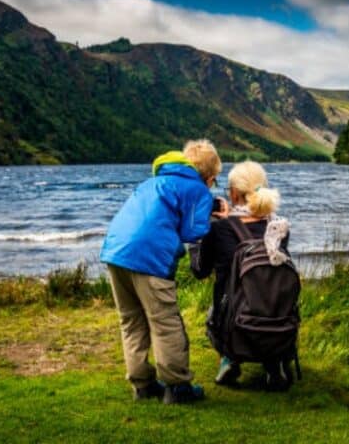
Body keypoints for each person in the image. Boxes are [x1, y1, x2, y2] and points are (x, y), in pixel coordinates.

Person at [100, 139, 222, 404]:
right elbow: (193, 232)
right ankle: (178, 387)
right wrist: (212, 216)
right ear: (210, 177)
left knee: (132, 321)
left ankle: (142, 385)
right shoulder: (199, 190)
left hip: (116, 252)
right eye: (215, 181)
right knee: (165, 322)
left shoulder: (152, 182)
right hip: (150, 258)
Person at [190, 160, 291, 388]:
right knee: (264, 299)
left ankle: (229, 359)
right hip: (277, 316)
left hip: (233, 321)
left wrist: (198, 239)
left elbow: (199, 271)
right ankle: (273, 364)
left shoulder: (219, 229)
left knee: (212, 315)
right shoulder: (280, 228)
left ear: (234, 194)